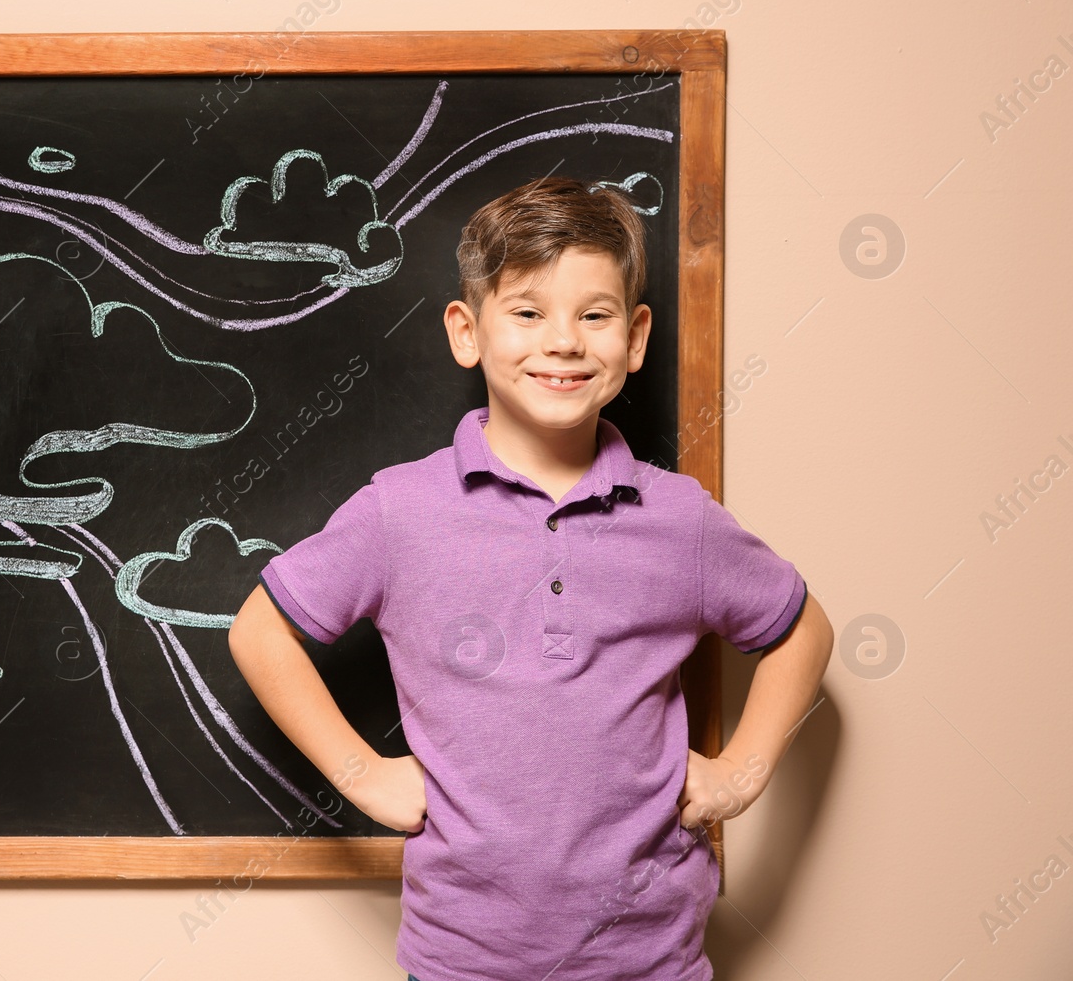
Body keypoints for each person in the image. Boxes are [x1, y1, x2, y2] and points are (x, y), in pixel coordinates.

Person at [226, 176, 834, 981]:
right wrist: (360, 772)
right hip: (460, 961)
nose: (564, 341)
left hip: (651, 958)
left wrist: (742, 773)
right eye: (527, 312)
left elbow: (804, 629)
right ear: (466, 330)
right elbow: (259, 630)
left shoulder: (679, 519)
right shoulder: (399, 511)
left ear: (637, 335)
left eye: (594, 314)